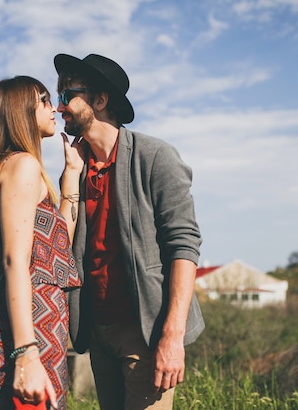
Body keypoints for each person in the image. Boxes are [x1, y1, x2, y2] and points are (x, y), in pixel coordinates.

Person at [54, 53, 205, 410]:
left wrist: (172, 336)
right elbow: (58, 246)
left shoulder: (156, 157)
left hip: (146, 333)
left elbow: (183, 246)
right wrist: (70, 178)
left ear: (100, 100)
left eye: (67, 95)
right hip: (98, 332)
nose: (60, 107)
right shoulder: (77, 166)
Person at [0, 75, 84, 410]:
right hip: (24, 329)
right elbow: (15, 262)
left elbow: (53, 252)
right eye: (43, 100)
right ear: (19, 111)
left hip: (12, 324)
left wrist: (70, 176)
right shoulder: (22, 166)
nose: (54, 107)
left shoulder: (8, 168)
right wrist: (26, 352)